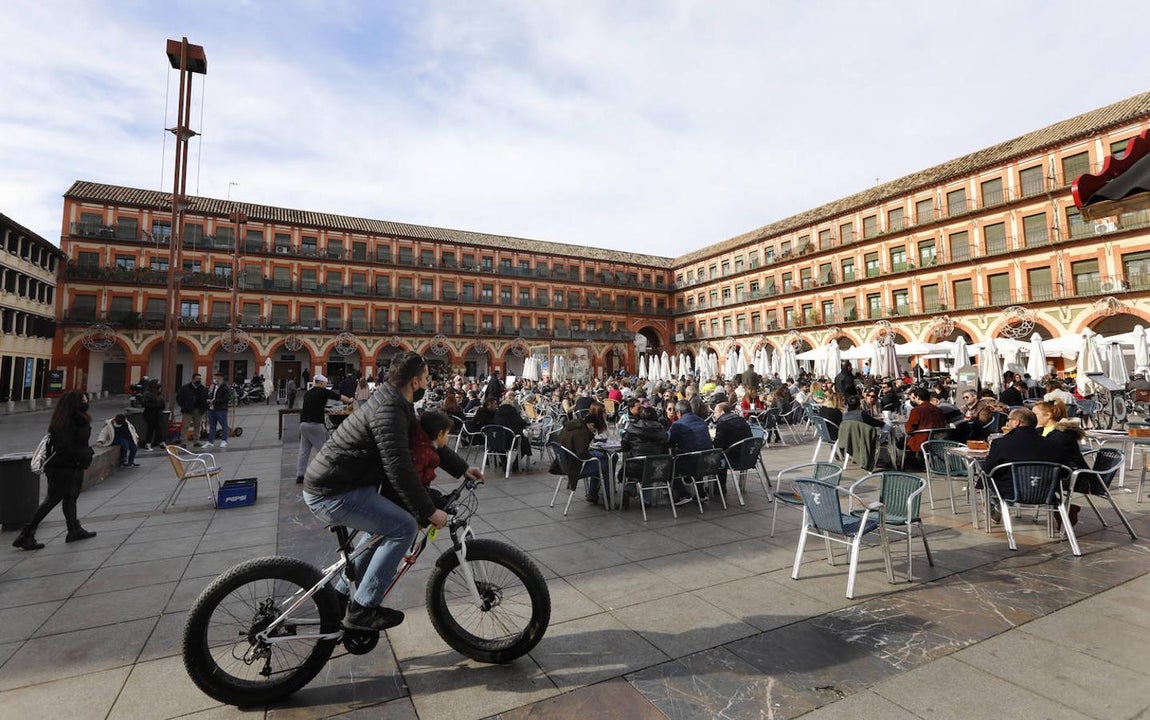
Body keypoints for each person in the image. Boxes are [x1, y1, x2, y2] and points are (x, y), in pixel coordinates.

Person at [303, 352, 482, 632]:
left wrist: (461, 468)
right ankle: (363, 607)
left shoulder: (396, 402)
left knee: (380, 531)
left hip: (342, 484)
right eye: (425, 379)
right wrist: (429, 511)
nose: (427, 383)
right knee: (403, 527)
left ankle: (339, 596)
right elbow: (400, 470)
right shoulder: (389, 411)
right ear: (414, 382)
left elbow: (425, 440)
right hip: (332, 492)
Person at [12, 391, 97, 550]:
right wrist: (85, 454)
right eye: (83, 401)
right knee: (52, 500)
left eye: (86, 400)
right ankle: (26, 534)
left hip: (74, 466)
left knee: (70, 499)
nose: (86, 403)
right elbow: (63, 449)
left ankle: (73, 530)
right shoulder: (66, 422)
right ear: (74, 404)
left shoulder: (77, 419)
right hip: (62, 468)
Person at [979, 408, 1050, 522]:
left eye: (1008, 419)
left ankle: (997, 507)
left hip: (1010, 491)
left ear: (1016, 422)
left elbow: (988, 469)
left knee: (987, 475)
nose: (1007, 422)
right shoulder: (1050, 443)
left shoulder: (1001, 443)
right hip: (1045, 491)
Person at [295, 373, 354, 483]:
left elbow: (313, 406)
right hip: (315, 424)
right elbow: (340, 397)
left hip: (303, 424)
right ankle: (328, 474)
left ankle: (300, 475)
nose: (326, 385)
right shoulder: (322, 391)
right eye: (325, 383)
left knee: (304, 451)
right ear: (321, 383)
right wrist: (350, 400)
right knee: (324, 450)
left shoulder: (308, 393)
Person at [619, 405, 670, 507]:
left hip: (635, 466)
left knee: (636, 467)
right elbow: (666, 449)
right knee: (649, 468)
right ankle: (646, 500)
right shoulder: (662, 430)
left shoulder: (632, 428)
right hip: (656, 467)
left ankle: (629, 489)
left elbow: (624, 446)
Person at [558, 408, 608, 504]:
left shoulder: (569, 427)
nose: (593, 431)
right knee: (605, 465)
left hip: (564, 464)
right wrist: (591, 455)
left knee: (599, 460)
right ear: (591, 424)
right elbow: (582, 454)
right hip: (575, 467)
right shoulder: (582, 432)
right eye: (594, 430)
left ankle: (592, 494)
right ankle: (607, 498)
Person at [667, 400, 712, 504]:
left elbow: (669, 442)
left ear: (679, 413)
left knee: (669, 466)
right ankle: (701, 493)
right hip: (708, 461)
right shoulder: (701, 421)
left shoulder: (678, 425)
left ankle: (683, 494)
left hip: (691, 463)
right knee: (697, 454)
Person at [711, 402, 753, 496]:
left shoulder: (723, 423)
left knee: (718, 456)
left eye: (715, 412)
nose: (714, 415)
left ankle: (719, 488)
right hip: (748, 456)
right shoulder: (742, 420)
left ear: (722, 412)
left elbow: (718, 445)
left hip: (733, 458)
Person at [411, 410, 454, 488]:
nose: (448, 437)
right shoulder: (424, 452)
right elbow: (415, 481)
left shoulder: (422, 445)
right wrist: (430, 473)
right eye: (447, 433)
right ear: (440, 434)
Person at [904, 387, 947, 458]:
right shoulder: (938, 409)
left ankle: (910, 462)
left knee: (903, 440)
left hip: (923, 440)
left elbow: (909, 428)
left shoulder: (916, 410)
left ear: (917, 397)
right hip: (938, 439)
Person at [176, 373, 209, 446]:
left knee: (197, 425)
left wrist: (204, 407)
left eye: (200, 379)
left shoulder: (203, 388)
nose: (199, 380)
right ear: (193, 379)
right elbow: (179, 398)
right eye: (197, 379)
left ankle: (196, 441)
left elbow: (206, 398)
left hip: (199, 410)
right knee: (185, 426)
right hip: (187, 410)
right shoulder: (185, 388)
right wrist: (184, 406)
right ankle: (183, 441)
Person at [205, 372, 232, 449]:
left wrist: (213, 401)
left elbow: (226, 398)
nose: (215, 379)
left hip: (221, 409)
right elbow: (210, 394)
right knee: (212, 426)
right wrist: (209, 399)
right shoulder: (214, 386)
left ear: (220, 378)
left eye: (216, 377)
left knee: (224, 425)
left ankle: (224, 440)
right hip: (212, 409)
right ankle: (210, 441)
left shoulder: (225, 387)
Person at [141, 378, 166, 450]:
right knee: (151, 429)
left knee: (159, 428)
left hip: (158, 414)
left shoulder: (158, 394)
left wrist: (161, 406)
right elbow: (145, 404)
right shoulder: (148, 394)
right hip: (150, 414)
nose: (159, 385)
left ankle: (160, 442)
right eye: (158, 383)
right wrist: (157, 406)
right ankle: (149, 443)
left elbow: (162, 402)